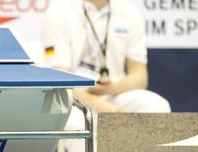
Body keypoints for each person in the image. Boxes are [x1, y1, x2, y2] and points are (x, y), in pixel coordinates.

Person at [41, 0, 170, 114]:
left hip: (113, 92)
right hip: (73, 97)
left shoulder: (128, 11)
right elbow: (60, 79)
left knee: (158, 106)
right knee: (77, 119)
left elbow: (140, 77)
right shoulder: (58, 10)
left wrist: (111, 88)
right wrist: (102, 107)